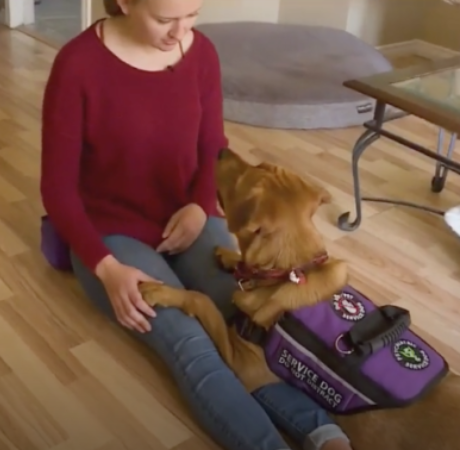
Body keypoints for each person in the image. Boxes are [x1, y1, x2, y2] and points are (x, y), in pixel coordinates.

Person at [40, 0, 354, 449]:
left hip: (184, 217)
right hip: (110, 236)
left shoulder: (202, 53)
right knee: (190, 341)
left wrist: (198, 204)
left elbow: (214, 147)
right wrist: (106, 268)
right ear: (125, 3)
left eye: (192, 16)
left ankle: (324, 434)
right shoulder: (77, 65)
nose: (180, 31)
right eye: (165, 19)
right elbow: (57, 189)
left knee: (244, 320)